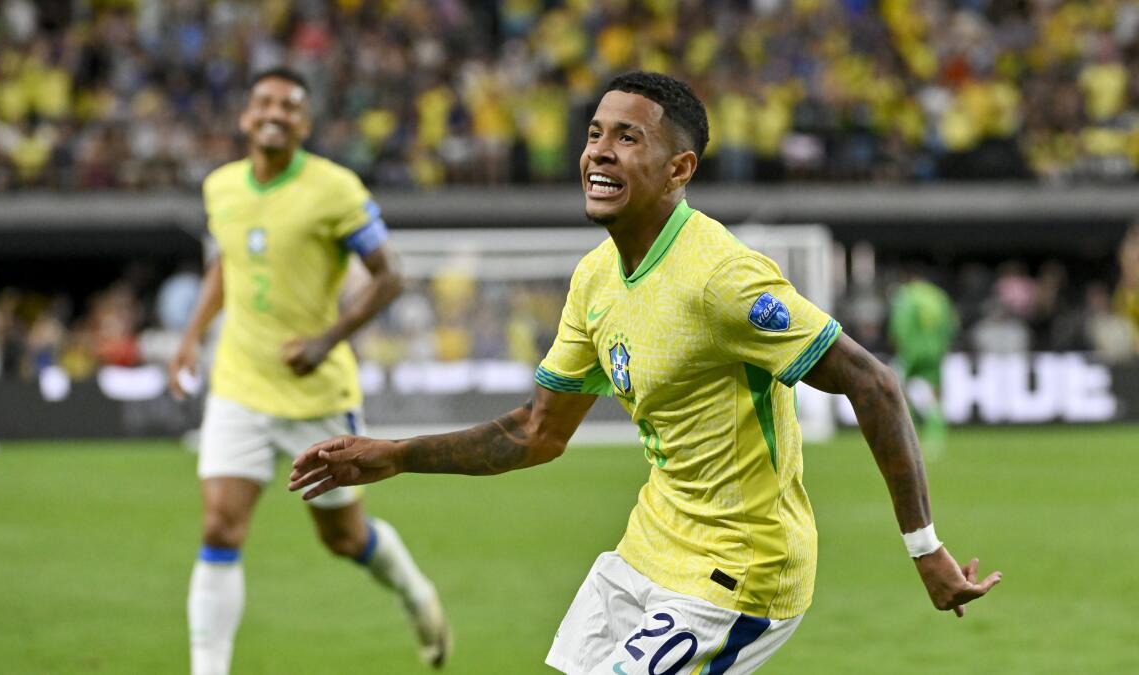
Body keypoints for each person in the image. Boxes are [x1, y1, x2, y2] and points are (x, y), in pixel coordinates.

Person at [289, 72, 1000, 674]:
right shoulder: (595, 278)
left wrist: (924, 546)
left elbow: (871, 381)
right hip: (647, 548)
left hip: (738, 572)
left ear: (678, 169)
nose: (599, 152)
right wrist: (396, 456)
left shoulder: (722, 277)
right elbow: (537, 431)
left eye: (628, 138)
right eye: (596, 132)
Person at [169, 67, 449, 675]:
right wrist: (190, 339)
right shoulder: (221, 187)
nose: (275, 112)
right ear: (246, 116)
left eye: (290, 105)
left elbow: (390, 276)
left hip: (315, 395)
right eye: (264, 101)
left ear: (305, 123)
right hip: (239, 385)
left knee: (344, 540)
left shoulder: (335, 188)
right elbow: (228, 262)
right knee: (219, 527)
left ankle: (415, 593)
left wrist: (327, 341)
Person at [888, 266, 959, 458]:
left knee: (895, 389)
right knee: (932, 395)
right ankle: (935, 438)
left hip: (911, 352)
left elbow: (900, 325)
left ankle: (904, 436)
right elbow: (950, 326)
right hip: (935, 351)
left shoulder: (907, 296)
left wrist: (899, 346)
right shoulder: (939, 296)